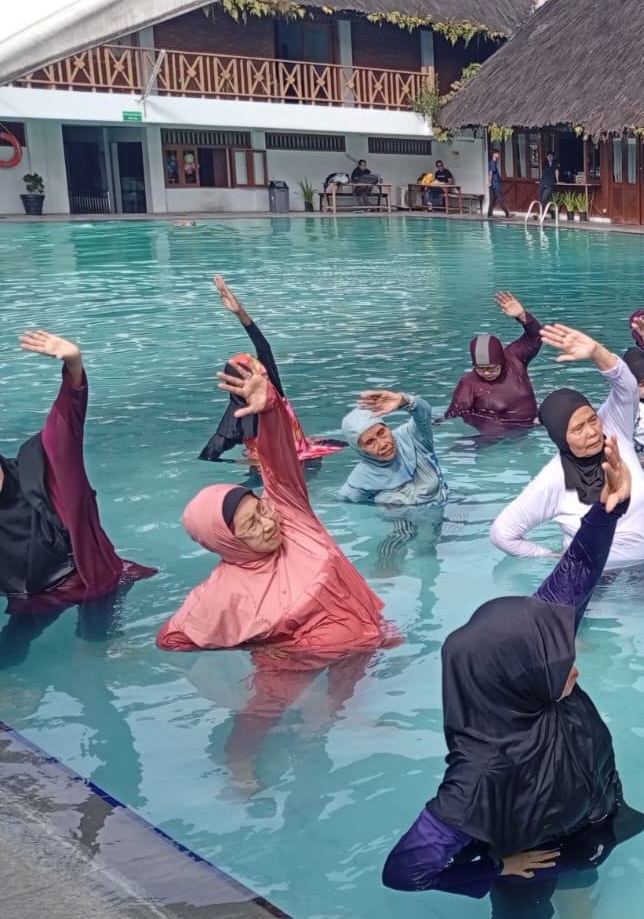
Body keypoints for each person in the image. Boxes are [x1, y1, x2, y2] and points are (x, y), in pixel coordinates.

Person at [382, 438, 644, 919]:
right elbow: (407, 869)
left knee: (584, 872)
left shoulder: (530, 664)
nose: (573, 666)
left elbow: (576, 574)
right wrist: (494, 866)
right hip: (528, 856)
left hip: (584, 817)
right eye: (558, 665)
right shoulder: (481, 770)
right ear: (519, 682)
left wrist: (607, 509)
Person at [158, 367, 393, 654]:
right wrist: (261, 646)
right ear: (228, 542)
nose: (269, 524)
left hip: (370, 640)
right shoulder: (222, 594)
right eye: (252, 525)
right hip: (294, 668)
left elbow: (278, 461)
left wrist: (270, 409)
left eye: (261, 510)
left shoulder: (290, 517)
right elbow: (172, 639)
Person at [3, 331, 155, 613]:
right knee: (15, 639)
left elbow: (65, 423)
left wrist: (73, 364)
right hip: (31, 599)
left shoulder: (42, 467)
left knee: (96, 633)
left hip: (94, 583)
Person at [490, 324, 644, 569]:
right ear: (561, 436)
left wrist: (596, 352)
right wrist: (549, 557)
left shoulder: (614, 434)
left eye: (592, 419)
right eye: (578, 429)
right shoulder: (553, 479)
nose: (592, 432)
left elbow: (627, 388)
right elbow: (502, 533)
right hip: (598, 581)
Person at [200, 275, 342, 463]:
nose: (262, 370)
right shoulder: (250, 410)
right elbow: (207, 457)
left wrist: (240, 312)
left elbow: (263, 348)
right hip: (280, 466)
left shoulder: (261, 398)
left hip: (283, 461)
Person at [443, 291, 544, 431]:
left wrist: (522, 316)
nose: (486, 373)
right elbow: (453, 414)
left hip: (532, 424)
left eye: (491, 368)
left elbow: (536, 337)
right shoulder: (468, 383)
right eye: (480, 368)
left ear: (501, 361)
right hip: (496, 431)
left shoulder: (515, 358)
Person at [339, 390, 445, 507]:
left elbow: (424, 413)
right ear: (361, 450)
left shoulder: (412, 438)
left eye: (381, 433)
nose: (382, 444)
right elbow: (345, 505)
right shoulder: (360, 480)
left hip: (448, 508)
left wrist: (405, 401)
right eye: (370, 442)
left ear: (388, 427)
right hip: (404, 518)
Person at [487, 149, 508, 218]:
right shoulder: (492, 162)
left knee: (492, 200)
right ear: (494, 154)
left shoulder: (494, 162)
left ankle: (489, 214)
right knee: (500, 198)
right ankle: (507, 213)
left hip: (494, 184)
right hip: (495, 184)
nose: (499, 155)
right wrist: (489, 182)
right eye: (498, 154)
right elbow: (490, 173)